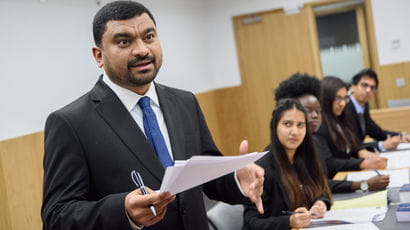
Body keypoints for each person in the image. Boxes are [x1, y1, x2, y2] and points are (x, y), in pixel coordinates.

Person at [41, 1, 264, 230]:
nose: (142, 50)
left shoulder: (185, 102)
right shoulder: (71, 123)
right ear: (99, 55)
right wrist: (123, 211)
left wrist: (237, 180)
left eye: (149, 37)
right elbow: (57, 217)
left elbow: (207, 178)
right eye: (124, 41)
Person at [274, 73, 389, 193]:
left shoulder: (316, 137)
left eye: (318, 111)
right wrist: (364, 181)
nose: (343, 103)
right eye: (288, 124)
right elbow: (321, 180)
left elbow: (319, 184)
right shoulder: (311, 136)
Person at [243, 98, 332, 230]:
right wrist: (289, 221)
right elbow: (252, 223)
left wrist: (320, 202)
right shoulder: (262, 169)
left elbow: (320, 189)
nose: (295, 132)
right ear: (275, 127)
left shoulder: (304, 159)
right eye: (287, 124)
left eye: (300, 125)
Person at [314, 76, 388, 179]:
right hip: (335, 180)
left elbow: (351, 144)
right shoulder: (319, 125)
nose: (343, 103)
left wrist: (361, 152)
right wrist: (361, 164)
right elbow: (329, 162)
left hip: (347, 175)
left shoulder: (340, 117)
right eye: (337, 98)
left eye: (345, 98)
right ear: (325, 98)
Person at [348, 68, 410, 151]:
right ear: (353, 87)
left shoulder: (364, 106)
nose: (368, 90)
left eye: (372, 87)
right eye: (364, 85)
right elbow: (352, 145)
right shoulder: (345, 108)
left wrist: (400, 136)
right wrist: (381, 145)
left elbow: (375, 132)